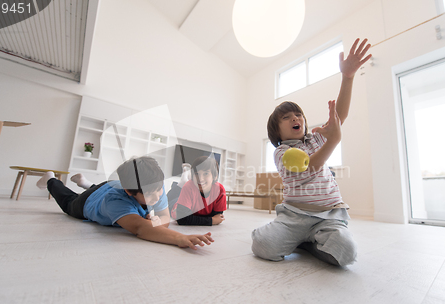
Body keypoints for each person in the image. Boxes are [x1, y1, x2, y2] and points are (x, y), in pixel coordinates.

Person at [251, 38, 372, 266]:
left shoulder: (316, 138)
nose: (295, 118)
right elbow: (306, 168)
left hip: (329, 216)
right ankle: (296, 236)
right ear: (276, 133)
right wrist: (332, 143)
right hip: (294, 216)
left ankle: (308, 242)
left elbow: (340, 117)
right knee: (263, 246)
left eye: (298, 115)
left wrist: (348, 77)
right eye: (286, 118)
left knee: (347, 253)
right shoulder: (281, 152)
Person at [36, 156, 214, 250]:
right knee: (69, 202)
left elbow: (164, 217)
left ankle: (85, 182)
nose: (158, 196)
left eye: (159, 189)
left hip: (110, 184)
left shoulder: (156, 188)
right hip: (89, 200)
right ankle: (51, 180)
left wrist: (155, 221)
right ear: (129, 192)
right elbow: (140, 229)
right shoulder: (115, 201)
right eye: (151, 194)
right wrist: (179, 238)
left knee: (151, 198)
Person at [168, 156, 226, 226]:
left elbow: (218, 217)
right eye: (197, 174)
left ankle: (184, 179)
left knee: (184, 189)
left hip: (189, 199)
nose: (200, 179)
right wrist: (211, 220)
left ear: (215, 176)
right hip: (175, 205)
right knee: (169, 199)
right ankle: (182, 181)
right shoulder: (188, 186)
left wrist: (194, 219)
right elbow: (182, 219)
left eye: (206, 173)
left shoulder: (219, 189)